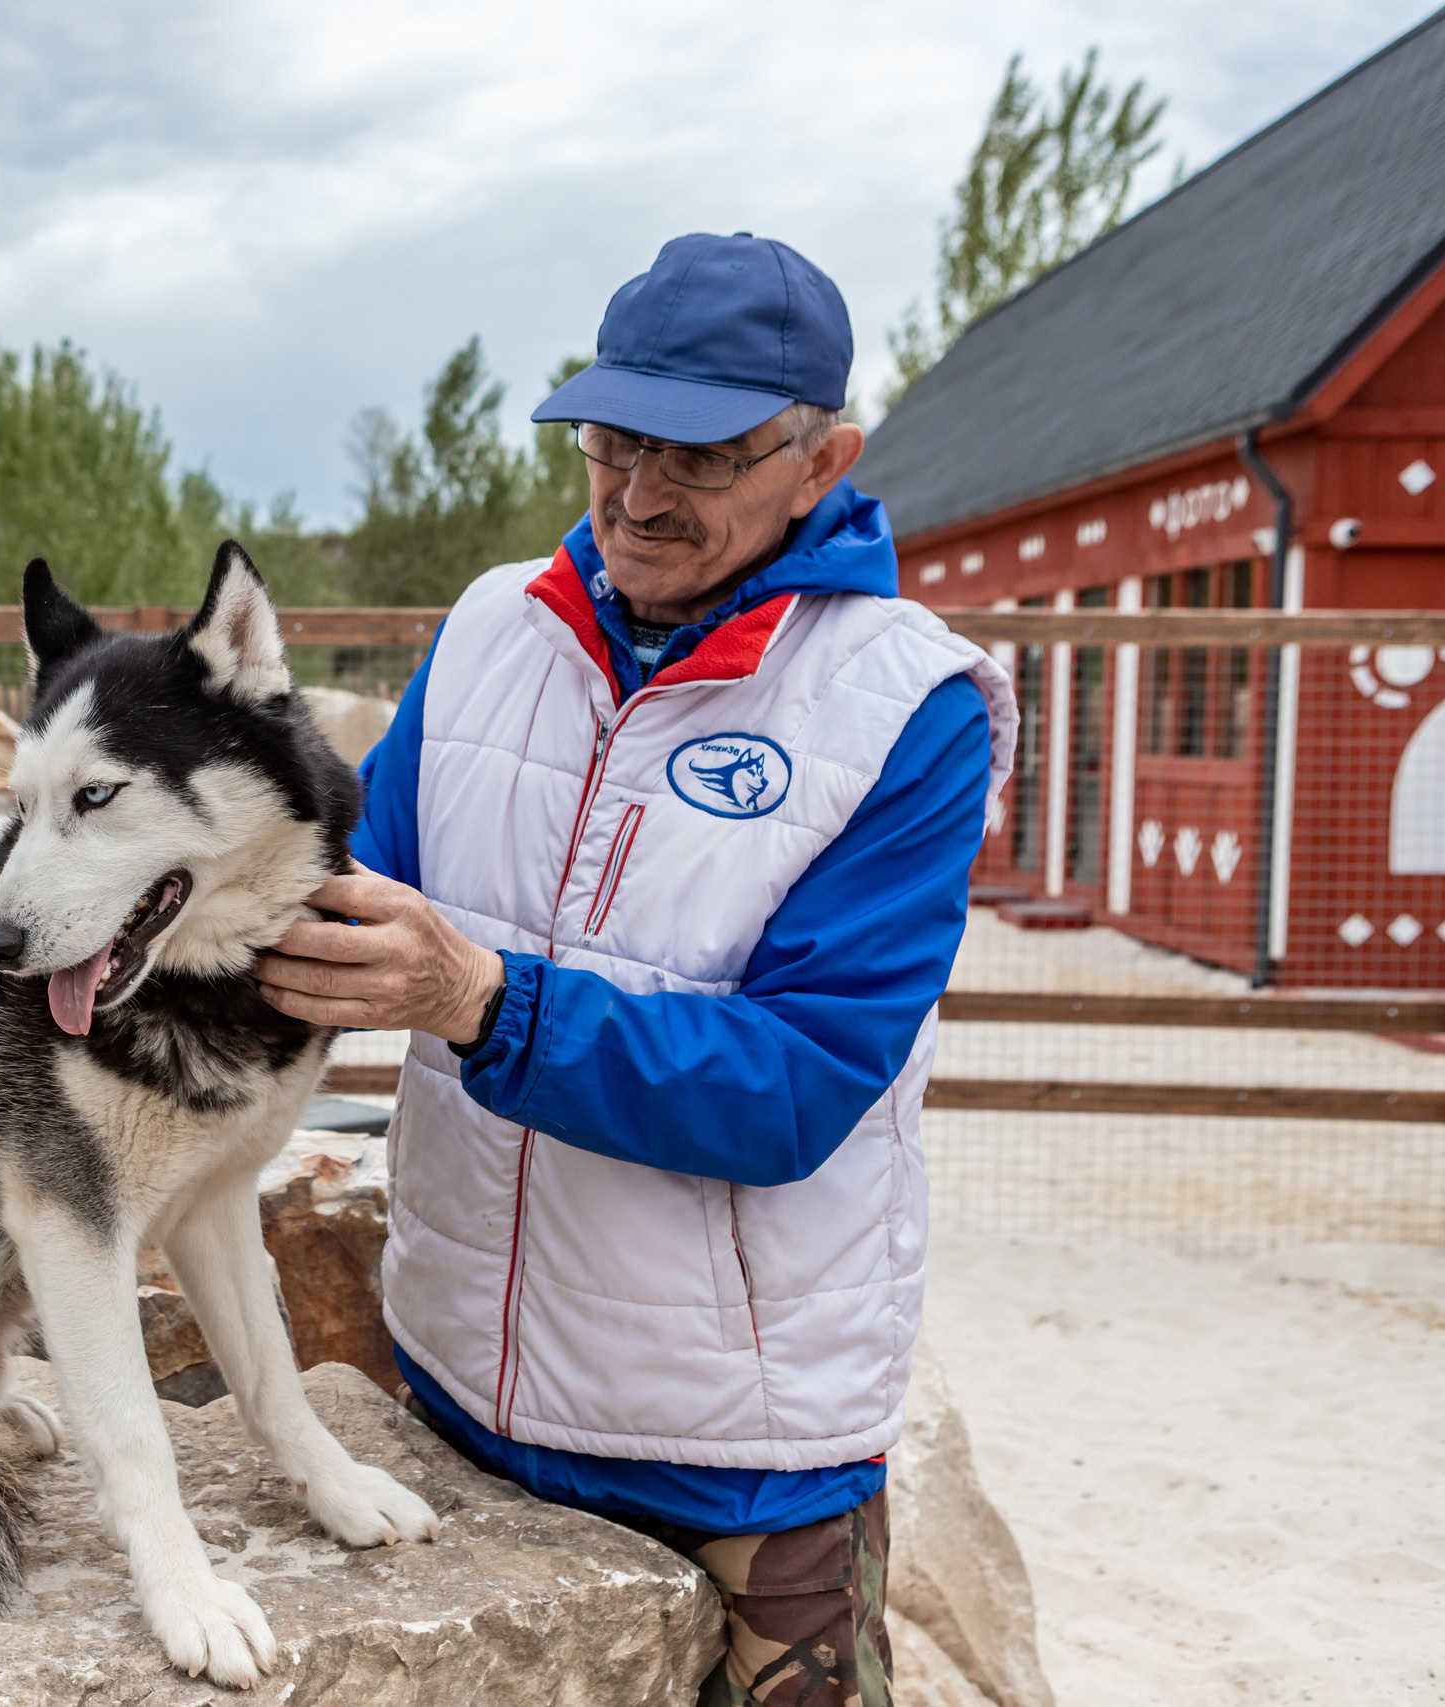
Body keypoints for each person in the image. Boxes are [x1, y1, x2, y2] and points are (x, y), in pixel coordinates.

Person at [254, 234, 1014, 1707]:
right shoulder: (491, 630)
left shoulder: (905, 707)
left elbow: (795, 1090)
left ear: (822, 459)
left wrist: (481, 999)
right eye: (613, 440)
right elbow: (347, 889)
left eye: (706, 457)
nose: (643, 494)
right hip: (456, 1393)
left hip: (741, 1459)